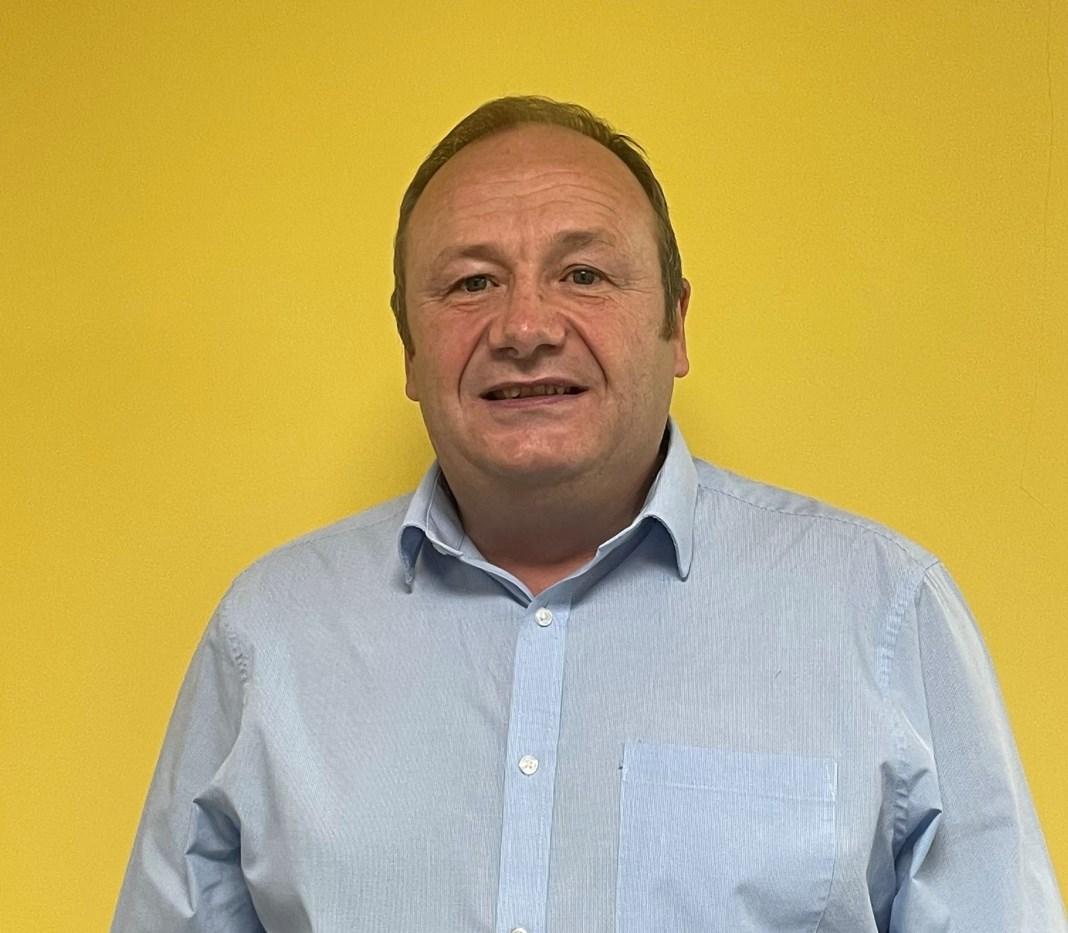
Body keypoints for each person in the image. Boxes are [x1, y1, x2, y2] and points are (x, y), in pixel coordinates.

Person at [112, 96, 1065, 932]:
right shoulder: (269, 635)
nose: (525, 328)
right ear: (409, 349)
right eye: (472, 282)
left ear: (676, 324)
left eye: (584, 275)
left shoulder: (884, 613)